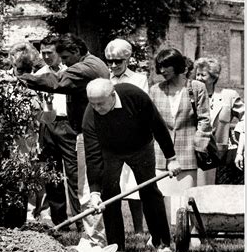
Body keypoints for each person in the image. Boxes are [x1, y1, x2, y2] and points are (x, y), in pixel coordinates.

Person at [18, 33, 109, 247]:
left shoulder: (85, 67)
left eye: (66, 58)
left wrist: (21, 78)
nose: (65, 63)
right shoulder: (92, 62)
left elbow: (57, 82)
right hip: (85, 129)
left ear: (77, 52)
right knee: (84, 184)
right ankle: (90, 231)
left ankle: (92, 235)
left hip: (89, 132)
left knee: (85, 185)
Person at [83, 78, 181, 252]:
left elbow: (158, 125)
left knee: (149, 190)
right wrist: (95, 191)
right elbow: (93, 155)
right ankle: (116, 247)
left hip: (140, 147)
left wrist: (171, 158)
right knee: (109, 194)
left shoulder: (134, 96)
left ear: (113, 95)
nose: (96, 108)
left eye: (100, 104)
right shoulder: (90, 116)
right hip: (110, 151)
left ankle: (162, 242)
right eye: (93, 104)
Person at [149, 48, 212, 226]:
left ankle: (192, 233)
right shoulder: (155, 90)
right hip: (161, 153)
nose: (162, 71)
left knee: (187, 196)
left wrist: (199, 145)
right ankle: (162, 233)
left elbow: (205, 120)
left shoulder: (196, 88)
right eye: (159, 67)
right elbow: (150, 122)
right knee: (161, 196)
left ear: (177, 65)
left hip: (188, 150)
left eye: (166, 66)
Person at [33, 34, 81, 229]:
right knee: (52, 175)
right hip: (47, 124)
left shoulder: (71, 71)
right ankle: (59, 221)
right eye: (42, 53)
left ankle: (79, 219)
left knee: (74, 173)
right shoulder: (39, 75)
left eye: (49, 53)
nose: (46, 57)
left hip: (68, 124)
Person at [104, 38, 149, 235]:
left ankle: (139, 229)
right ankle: (113, 230)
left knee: (134, 185)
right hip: (110, 139)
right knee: (111, 185)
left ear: (128, 59)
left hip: (133, 138)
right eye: (110, 61)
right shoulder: (104, 79)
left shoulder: (139, 79)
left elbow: (144, 109)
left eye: (118, 61)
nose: (113, 65)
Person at [193, 57, 244, 185]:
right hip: (199, 154)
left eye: (203, 75)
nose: (198, 78)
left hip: (222, 155)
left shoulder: (229, 96)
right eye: (197, 74)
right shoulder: (191, 97)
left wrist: (238, 135)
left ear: (214, 77)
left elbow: (244, 117)